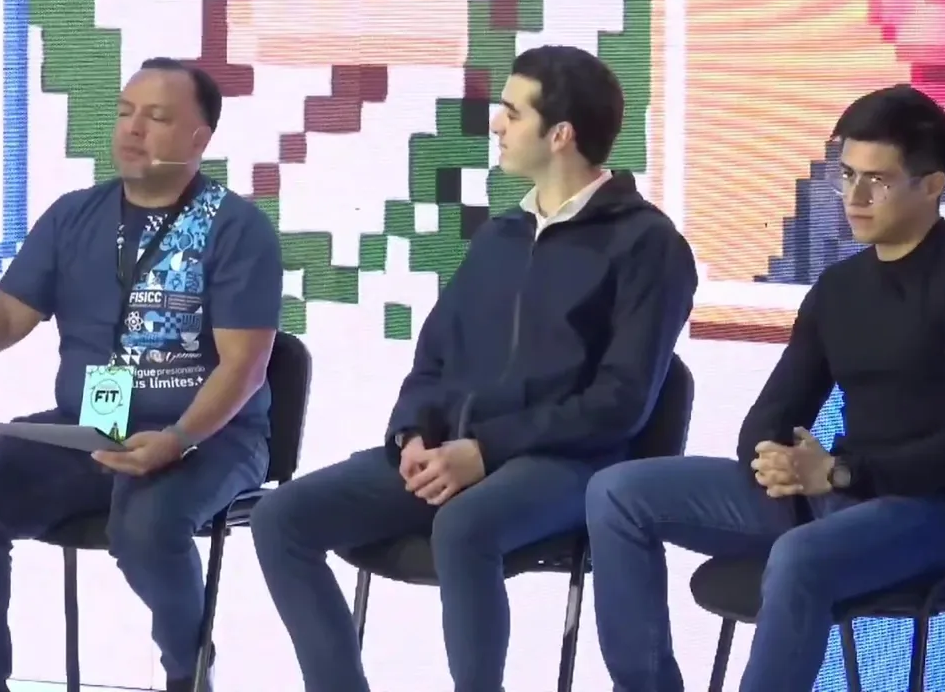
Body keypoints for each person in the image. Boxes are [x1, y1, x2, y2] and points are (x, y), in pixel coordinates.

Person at [248, 45, 697, 692]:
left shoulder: (647, 245)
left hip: (574, 462)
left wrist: (485, 450)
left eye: (512, 112)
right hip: (459, 451)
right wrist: (411, 435)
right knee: (282, 518)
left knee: (463, 526)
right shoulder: (499, 237)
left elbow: (620, 402)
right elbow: (433, 358)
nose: (496, 124)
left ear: (561, 135)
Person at [585, 85, 945, 692]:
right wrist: (772, 458)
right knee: (617, 492)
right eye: (846, 175)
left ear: (931, 185)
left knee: (800, 557)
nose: (855, 197)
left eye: (877, 181)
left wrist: (841, 472)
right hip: (834, 496)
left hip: (942, 512)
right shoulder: (839, 288)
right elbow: (772, 412)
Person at [0, 58, 282, 692]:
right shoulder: (73, 216)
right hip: (90, 429)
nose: (132, 129)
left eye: (157, 117)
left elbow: (247, 365)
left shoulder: (236, 227)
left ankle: (188, 674)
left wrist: (176, 438)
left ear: (199, 138)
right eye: (125, 112)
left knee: (144, 528)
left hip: (208, 438)